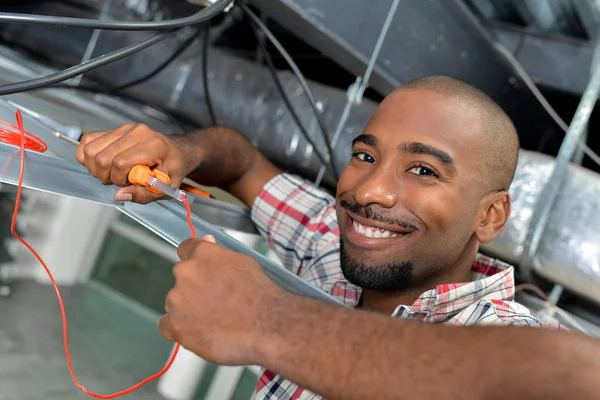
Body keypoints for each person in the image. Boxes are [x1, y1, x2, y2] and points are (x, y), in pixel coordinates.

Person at [76, 76, 598, 399]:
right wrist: (183, 152)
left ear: (490, 216)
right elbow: (241, 163)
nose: (370, 190)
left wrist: (266, 319)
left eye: (422, 172)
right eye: (366, 157)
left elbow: (556, 379)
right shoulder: (331, 247)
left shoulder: (500, 332)